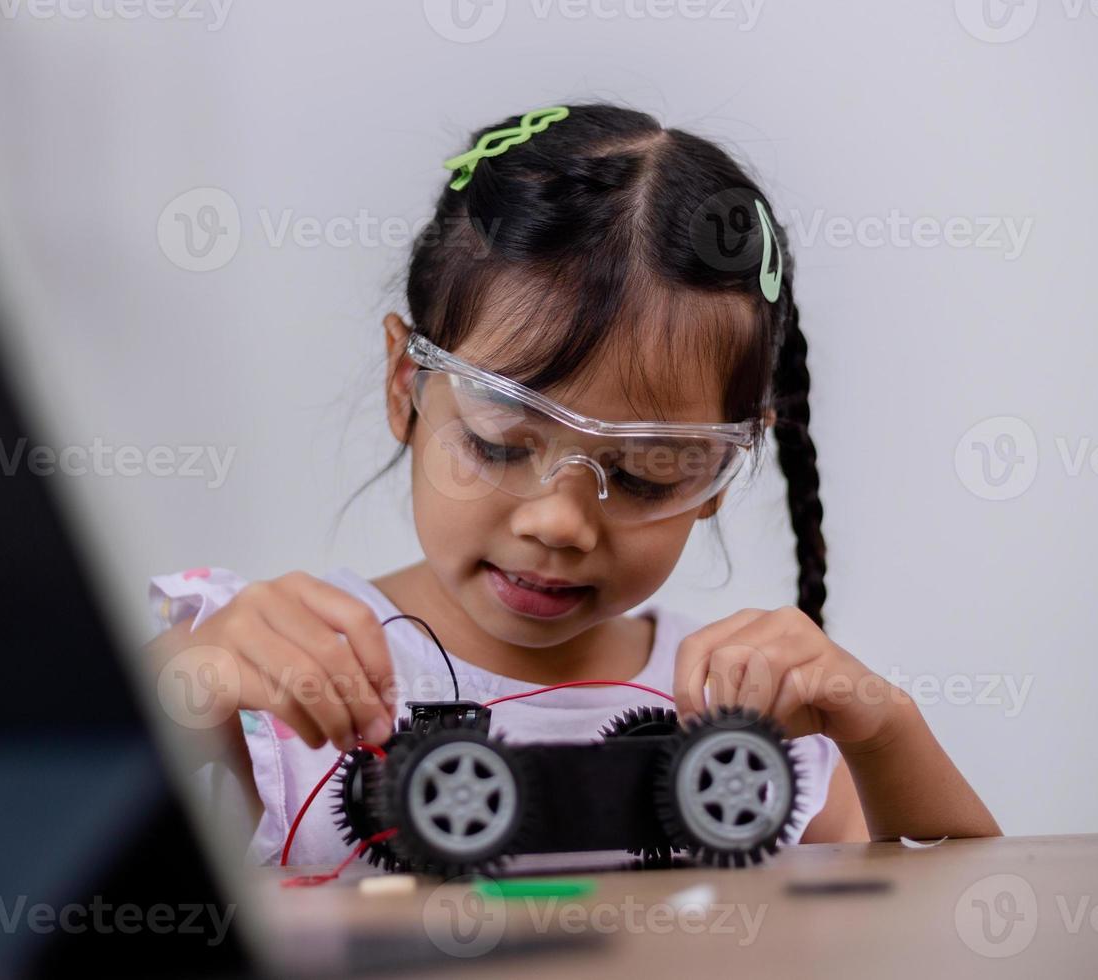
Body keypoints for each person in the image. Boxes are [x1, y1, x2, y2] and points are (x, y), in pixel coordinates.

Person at [145, 104, 1000, 867]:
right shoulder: (278, 678)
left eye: (645, 472)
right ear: (405, 386)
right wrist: (177, 681)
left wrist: (883, 727)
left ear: (719, 476)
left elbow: (957, 918)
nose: (560, 522)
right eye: (500, 445)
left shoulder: (746, 716)